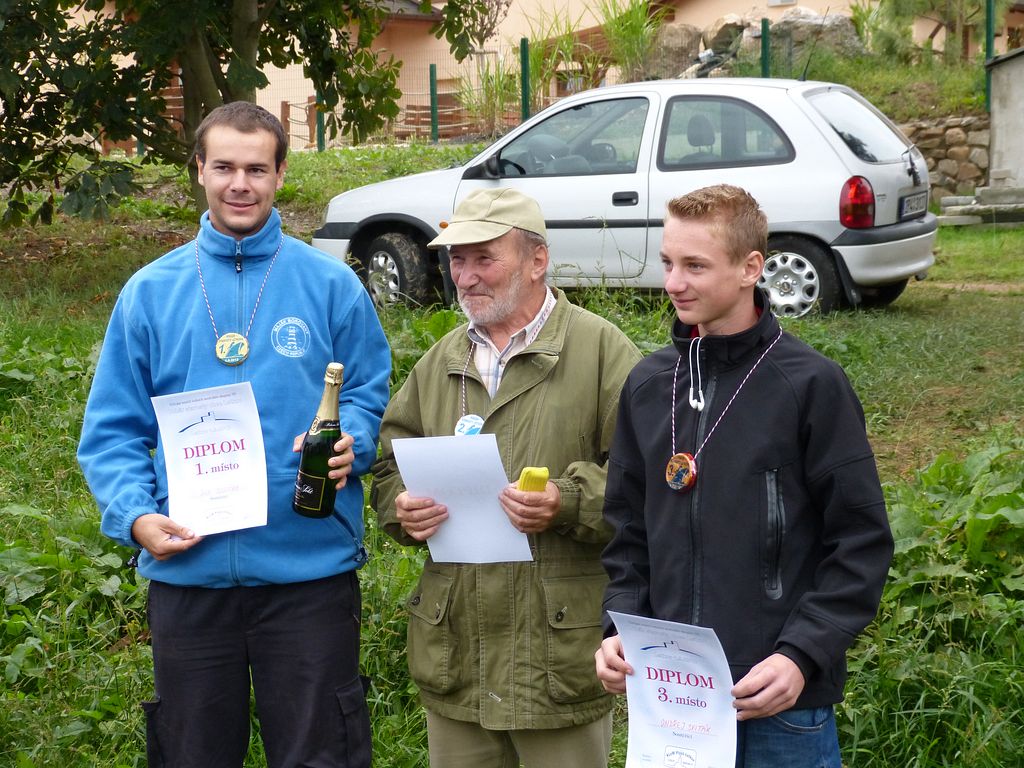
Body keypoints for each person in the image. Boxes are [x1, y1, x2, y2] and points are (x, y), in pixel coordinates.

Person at [77, 101, 390, 768]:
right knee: (194, 753)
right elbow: (112, 430)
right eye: (223, 167)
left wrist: (353, 444)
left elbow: (368, 392)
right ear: (199, 170)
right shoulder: (149, 293)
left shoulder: (331, 285)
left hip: (308, 572)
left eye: (256, 168)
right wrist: (135, 516)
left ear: (280, 174)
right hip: (189, 576)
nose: (239, 184)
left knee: (320, 753)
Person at [595, 184, 893, 767]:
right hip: (674, 700)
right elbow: (626, 533)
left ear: (750, 268)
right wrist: (616, 629)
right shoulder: (649, 386)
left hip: (777, 700)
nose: (673, 283)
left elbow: (861, 540)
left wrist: (802, 654)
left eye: (695, 266)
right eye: (668, 262)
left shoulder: (809, 386)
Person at [371, 188, 642, 768]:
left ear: (537, 260)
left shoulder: (602, 352)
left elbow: (645, 485)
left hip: (556, 661)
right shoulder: (441, 361)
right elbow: (388, 464)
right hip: (458, 659)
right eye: (457, 260)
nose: (465, 277)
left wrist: (567, 502)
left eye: (484, 258)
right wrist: (401, 507)